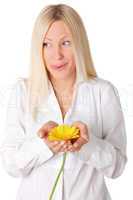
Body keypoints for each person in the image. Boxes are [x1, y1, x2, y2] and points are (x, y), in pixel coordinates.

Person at [0, 3, 127, 200]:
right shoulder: (22, 92)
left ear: (79, 43)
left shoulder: (104, 92)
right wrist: (44, 145)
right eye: (46, 44)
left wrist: (87, 144)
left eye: (66, 43)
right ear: (38, 48)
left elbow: (117, 167)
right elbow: (10, 164)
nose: (56, 54)